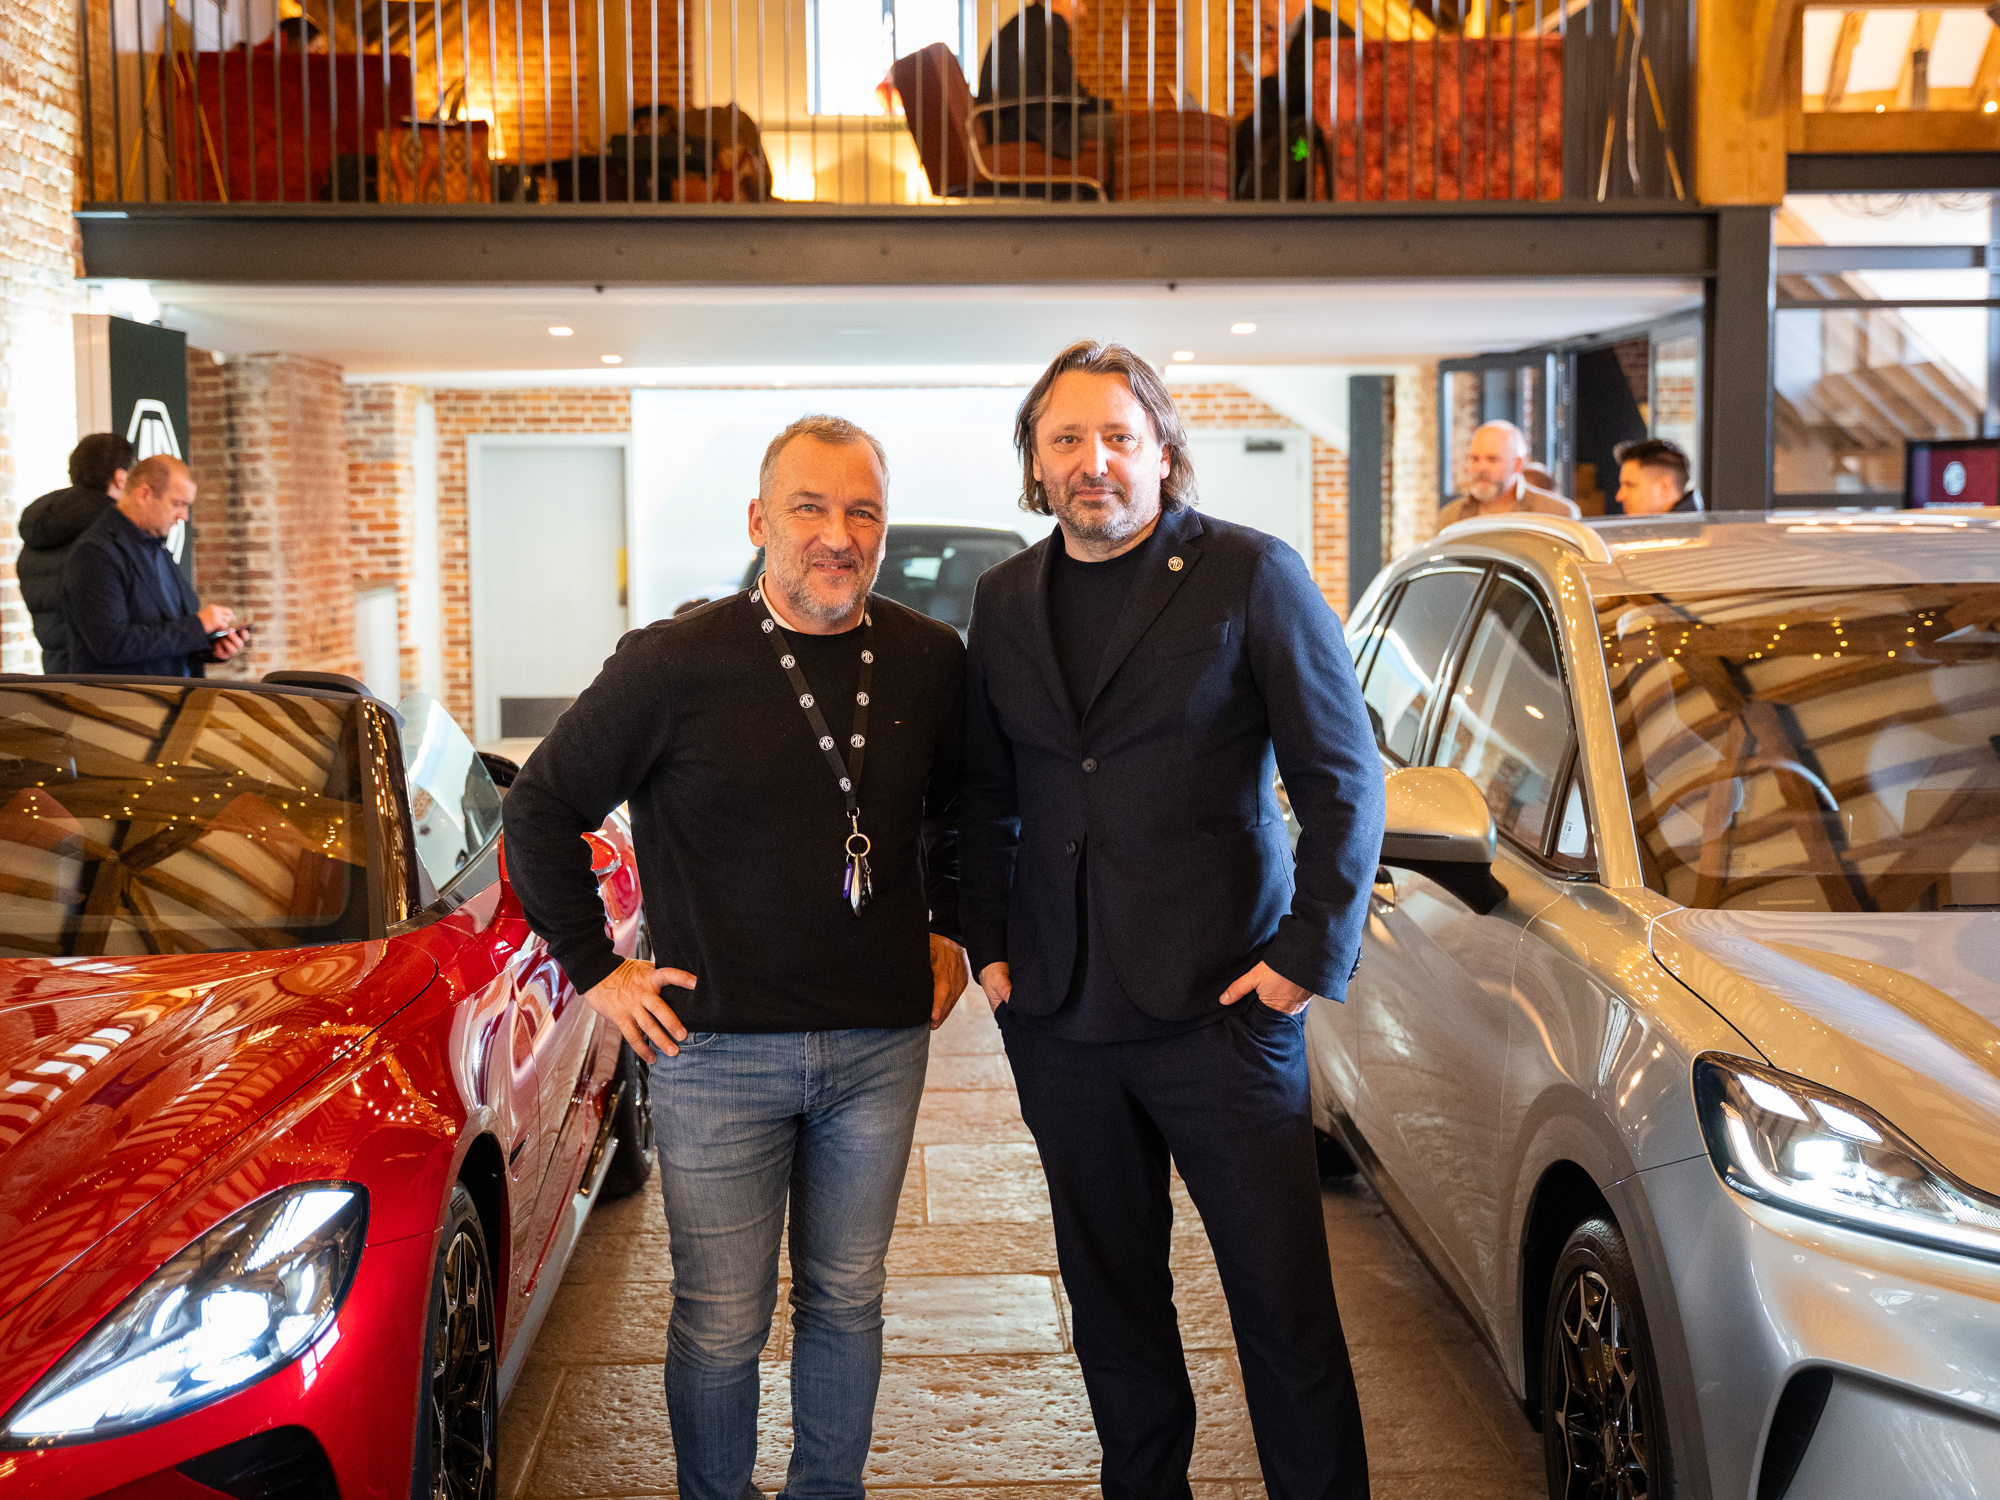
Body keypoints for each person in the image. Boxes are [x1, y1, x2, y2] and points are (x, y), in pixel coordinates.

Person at [501, 415, 971, 1500]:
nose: (837, 535)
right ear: (760, 520)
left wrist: (950, 923)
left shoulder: (929, 659)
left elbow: (962, 813)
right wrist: (597, 970)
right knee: (720, 1319)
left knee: (847, 1297)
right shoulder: (672, 663)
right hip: (715, 1052)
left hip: (878, 1045)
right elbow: (540, 807)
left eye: (861, 511)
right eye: (810, 507)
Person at [961, 340, 1385, 1500]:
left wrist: (1305, 957)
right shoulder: (1004, 599)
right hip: (1059, 1014)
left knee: (1282, 1312)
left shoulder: (1250, 574)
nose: (1092, 460)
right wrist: (987, 947)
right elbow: (984, 792)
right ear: (1036, 464)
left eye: (1116, 436)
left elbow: (1344, 779)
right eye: (1065, 439)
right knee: (1111, 1310)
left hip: (1223, 1011)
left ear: (1161, 451)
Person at [62, 455, 248, 676]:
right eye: (177, 504)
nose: (184, 516)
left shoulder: (156, 547)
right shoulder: (95, 553)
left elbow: (167, 633)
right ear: (144, 494)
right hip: (126, 696)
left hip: (176, 693)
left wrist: (209, 647)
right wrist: (197, 627)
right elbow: (112, 645)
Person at [19, 433, 132, 673]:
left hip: (55, 668)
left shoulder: (41, 527)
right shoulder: (108, 532)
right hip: (102, 674)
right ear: (120, 478)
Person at [975, 0, 1112, 173]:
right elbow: (1066, 84)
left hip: (1006, 119)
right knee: (1118, 126)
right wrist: (1104, 106)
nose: (1082, 11)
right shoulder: (1048, 22)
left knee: (1108, 116)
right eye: (1080, 2)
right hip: (1025, 123)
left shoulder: (1028, 20)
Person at [1436, 419, 1581, 528]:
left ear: (1517, 464)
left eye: (1492, 459)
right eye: (1475, 459)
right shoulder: (1449, 516)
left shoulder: (1557, 514)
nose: (1481, 468)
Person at [1613, 435, 1701, 515]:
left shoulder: (1695, 527)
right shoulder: (1694, 522)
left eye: (1630, 485)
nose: (1619, 496)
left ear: (1665, 486)